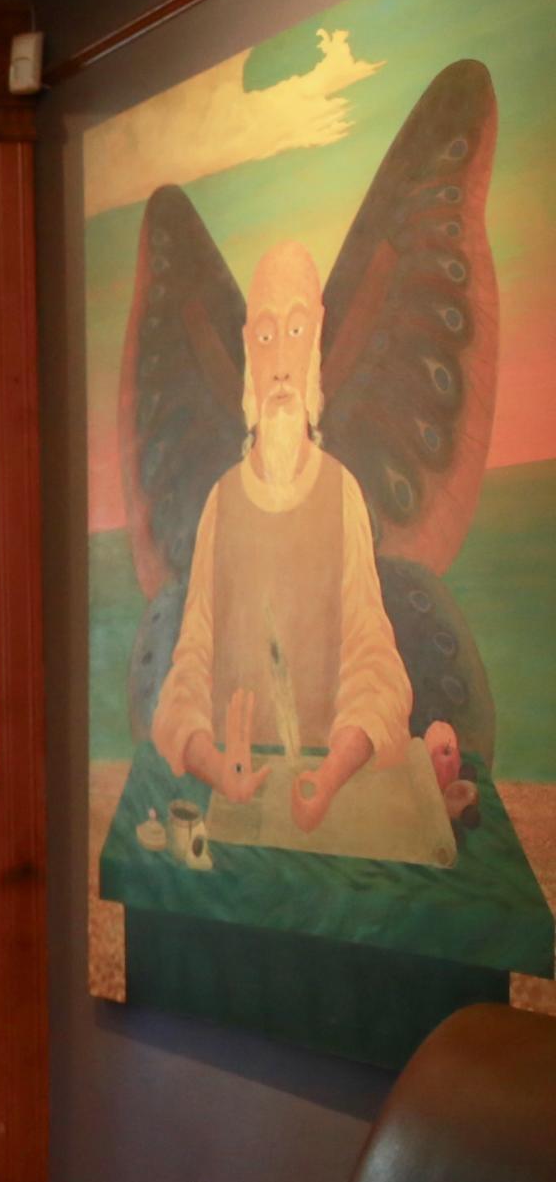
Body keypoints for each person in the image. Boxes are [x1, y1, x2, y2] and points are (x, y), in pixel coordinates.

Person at [149, 240, 413, 834]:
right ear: (247, 349)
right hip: (232, 809)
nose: (283, 365)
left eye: (296, 331)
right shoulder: (221, 503)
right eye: (266, 337)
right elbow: (188, 663)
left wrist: (329, 776)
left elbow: (376, 664)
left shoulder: (341, 493)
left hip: (326, 802)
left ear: (317, 338)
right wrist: (215, 766)